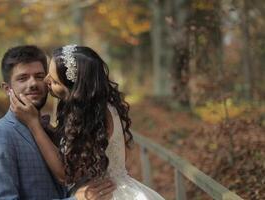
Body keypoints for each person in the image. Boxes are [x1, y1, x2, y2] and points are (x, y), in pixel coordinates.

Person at [10, 45, 165, 199]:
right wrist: (50, 130)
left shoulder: (90, 115)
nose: (45, 80)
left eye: (55, 81)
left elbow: (65, 175)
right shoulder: (100, 107)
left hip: (105, 194)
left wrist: (34, 125)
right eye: (49, 74)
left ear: (75, 91)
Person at [0, 45, 115, 200]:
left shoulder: (63, 128)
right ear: (7, 88)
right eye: (23, 78)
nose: (33, 83)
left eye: (39, 76)